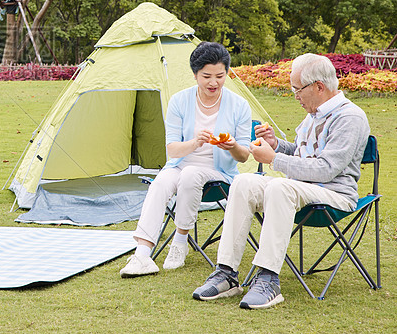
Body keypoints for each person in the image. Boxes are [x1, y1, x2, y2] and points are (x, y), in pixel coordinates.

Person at [192, 53, 370, 309]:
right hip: (302, 189)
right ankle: (226, 273)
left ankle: (268, 279)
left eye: (297, 89)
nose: (294, 95)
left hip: (335, 194)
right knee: (243, 182)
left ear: (319, 87)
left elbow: (326, 169)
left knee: (279, 185)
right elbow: (302, 152)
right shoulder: (314, 114)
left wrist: (274, 158)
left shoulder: (349, 117)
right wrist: (278, 145)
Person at [120, 42, 252, 277]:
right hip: (181, 164)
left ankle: (180, 242)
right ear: (195, 75)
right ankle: (142, 254)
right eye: (207, 76)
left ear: (227, 74)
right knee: (161, 182)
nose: (214, 82)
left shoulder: (239, 105)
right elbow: (172, 150)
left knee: (192, 175)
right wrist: (195, 142)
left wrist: (231, 145)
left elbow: (242, 157)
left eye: (220, 76)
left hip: (219, 172)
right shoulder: (179, 101)